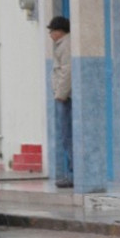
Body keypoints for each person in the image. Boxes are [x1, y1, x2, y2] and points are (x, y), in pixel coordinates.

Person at [48, 16, 73, 189]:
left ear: (60, 31)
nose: (50, 34)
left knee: (68, 135)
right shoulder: (61, 45)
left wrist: (61, 94)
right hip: (63, 96)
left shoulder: (66, 45)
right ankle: (71, 173)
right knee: (66, 136)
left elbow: (67, 71)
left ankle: (73, 174)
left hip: (65, 97)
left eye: (52, 30)